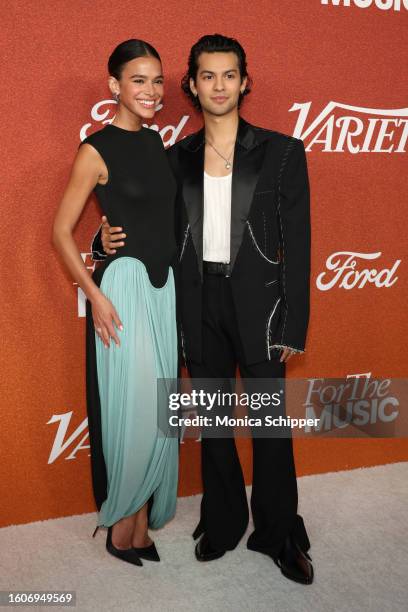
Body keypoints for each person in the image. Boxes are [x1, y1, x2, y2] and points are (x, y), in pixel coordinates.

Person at [93, 33, 313, 584]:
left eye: (229, 75)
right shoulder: (175, 158)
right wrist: (99, 244)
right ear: (191, 85)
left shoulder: (282, 151)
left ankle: (278, 531)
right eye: (207, 76)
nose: (219, 85)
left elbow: (299, 244)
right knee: (214, 425)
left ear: (245, 81)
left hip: (261, 306)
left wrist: (294, 321)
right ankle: (221, 520)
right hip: (196, 303)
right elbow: (145, 224)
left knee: (268, 426)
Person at [52, 39, 179, 566]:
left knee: (159, 407)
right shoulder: (94, 149)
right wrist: (95, 293)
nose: (150, 92)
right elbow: (60, 232)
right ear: (114, 87)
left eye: (157, 82)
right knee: (134, 408)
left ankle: (140, 525)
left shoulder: (158, 147)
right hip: (122, 288)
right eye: (138, 81)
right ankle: (120, 523)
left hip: (163, 287)